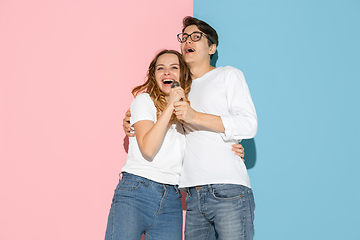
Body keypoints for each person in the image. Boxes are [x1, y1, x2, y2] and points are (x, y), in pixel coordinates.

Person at [174, 17, 258, 240]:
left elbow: (248, 124)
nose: (187, 41)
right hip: (193, 193)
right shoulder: (179, 89)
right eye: (184, 37)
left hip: (228, 189)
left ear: (212, 47)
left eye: (195, 36)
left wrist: (195, 116)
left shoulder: (227, 75)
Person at [105, 50, 190, 240]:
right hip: (136, 192)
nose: (167, 72)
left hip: (171, 201)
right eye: (161, 68)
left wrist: (233, 149)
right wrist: (170, 106)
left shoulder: (188, 115)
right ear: (154, 76)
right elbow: (149, 148)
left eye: (174, 68)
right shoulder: (144, 101)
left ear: (183, 74)